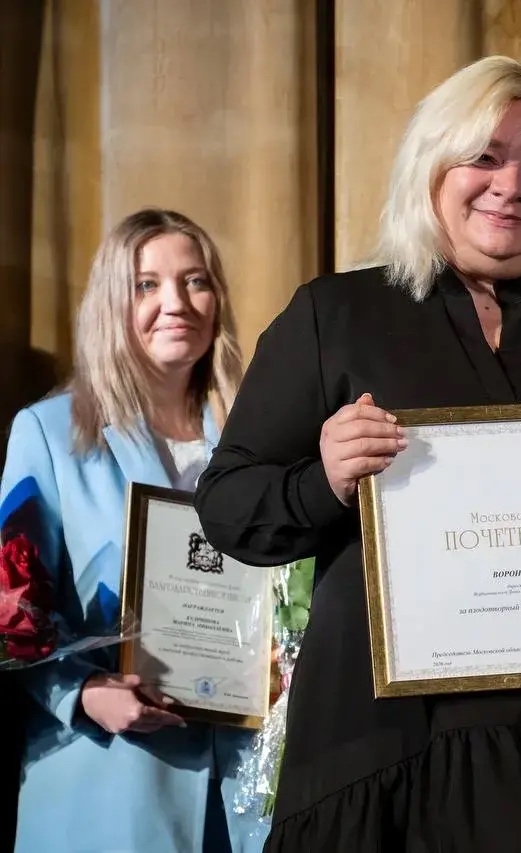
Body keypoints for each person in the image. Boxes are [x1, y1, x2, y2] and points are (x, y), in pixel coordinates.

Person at [192, 56, 521, 853]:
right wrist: (326, 479)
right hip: (386, 746)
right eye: (484, 157)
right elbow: (227, 506)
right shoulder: (337, 315)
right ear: (431, 167)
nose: (511, 186)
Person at [1, 208, 261, 852]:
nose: (176, 303)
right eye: (146, 285)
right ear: (109, 304)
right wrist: (82, 693)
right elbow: (10, 608)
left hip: (246, 788)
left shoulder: (260, 440)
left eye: (196, 281)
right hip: (110, 782)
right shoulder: (50, 434)